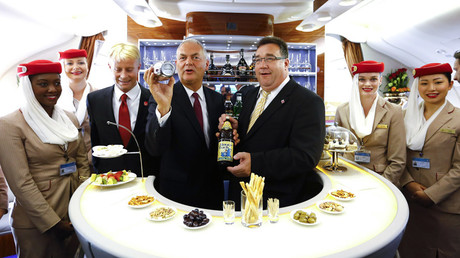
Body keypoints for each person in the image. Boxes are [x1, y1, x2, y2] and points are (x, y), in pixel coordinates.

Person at [0, 60, 90, 257]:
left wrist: (83, 202)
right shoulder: (10, 125)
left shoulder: (69, 118)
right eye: (43, 83)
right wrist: (53, 223)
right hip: (36, 223)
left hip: (73, 212)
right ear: (27, 87)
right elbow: (21, 183)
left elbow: (82, 162)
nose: (52, 89)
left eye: (57, 83)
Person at [223, 36, 325, 208]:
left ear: (285, 63)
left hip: (277, 200)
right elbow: (253, 136)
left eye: (270, 58)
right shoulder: (248, 95)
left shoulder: (308, 101)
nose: (262, 65)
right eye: (258, 60)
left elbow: (306, 156)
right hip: (241, 193)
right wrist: (234, 129)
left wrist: (255, 163)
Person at [144, 38, 225, 210]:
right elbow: (154, 148)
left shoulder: (217, 100)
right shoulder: (162, 96)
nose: (188, 62)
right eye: (183, 58)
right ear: (176, 64)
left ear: (206, 64)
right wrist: (164, 107)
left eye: (195, 57)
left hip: (212, 192)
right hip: (176, 194)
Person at [399, 63, 460, 257]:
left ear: (449, 85)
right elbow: (397, 156)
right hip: (410, 201)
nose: (431, 88)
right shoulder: (403, 117)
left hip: (445, 205)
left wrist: (432, 194)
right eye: (424, 83)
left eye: (438, 82)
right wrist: (409, 184)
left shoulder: (458, 119)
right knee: (410, 249)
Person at [87, 43, 156, 177]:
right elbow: (96, 143)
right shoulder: (95, 100)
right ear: (109, 67)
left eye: (129, 69)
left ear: (138, 68)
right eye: (118, 69)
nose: (123, 76)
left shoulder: (154, 98)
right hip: (110, 177)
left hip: (145, 177)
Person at [335, 60, 406, 185]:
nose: (367, 84)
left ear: (380, 80)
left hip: (380, 178)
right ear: (355, 81)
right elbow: (337, 149)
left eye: (373, 79)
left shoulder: (393, 111)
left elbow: (398, 160)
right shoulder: (342, 110)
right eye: (362, 79)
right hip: (346, 176)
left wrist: (382, 184)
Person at [57, 49, 96, 171]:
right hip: (64, 163)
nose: (76, 67)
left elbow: (105, 134)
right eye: (69, 63)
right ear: (63, 67)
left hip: (93, 161)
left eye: (81, 63)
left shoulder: (99, 96)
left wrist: (88, 159)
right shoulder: (56, 98)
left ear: (87, 66)